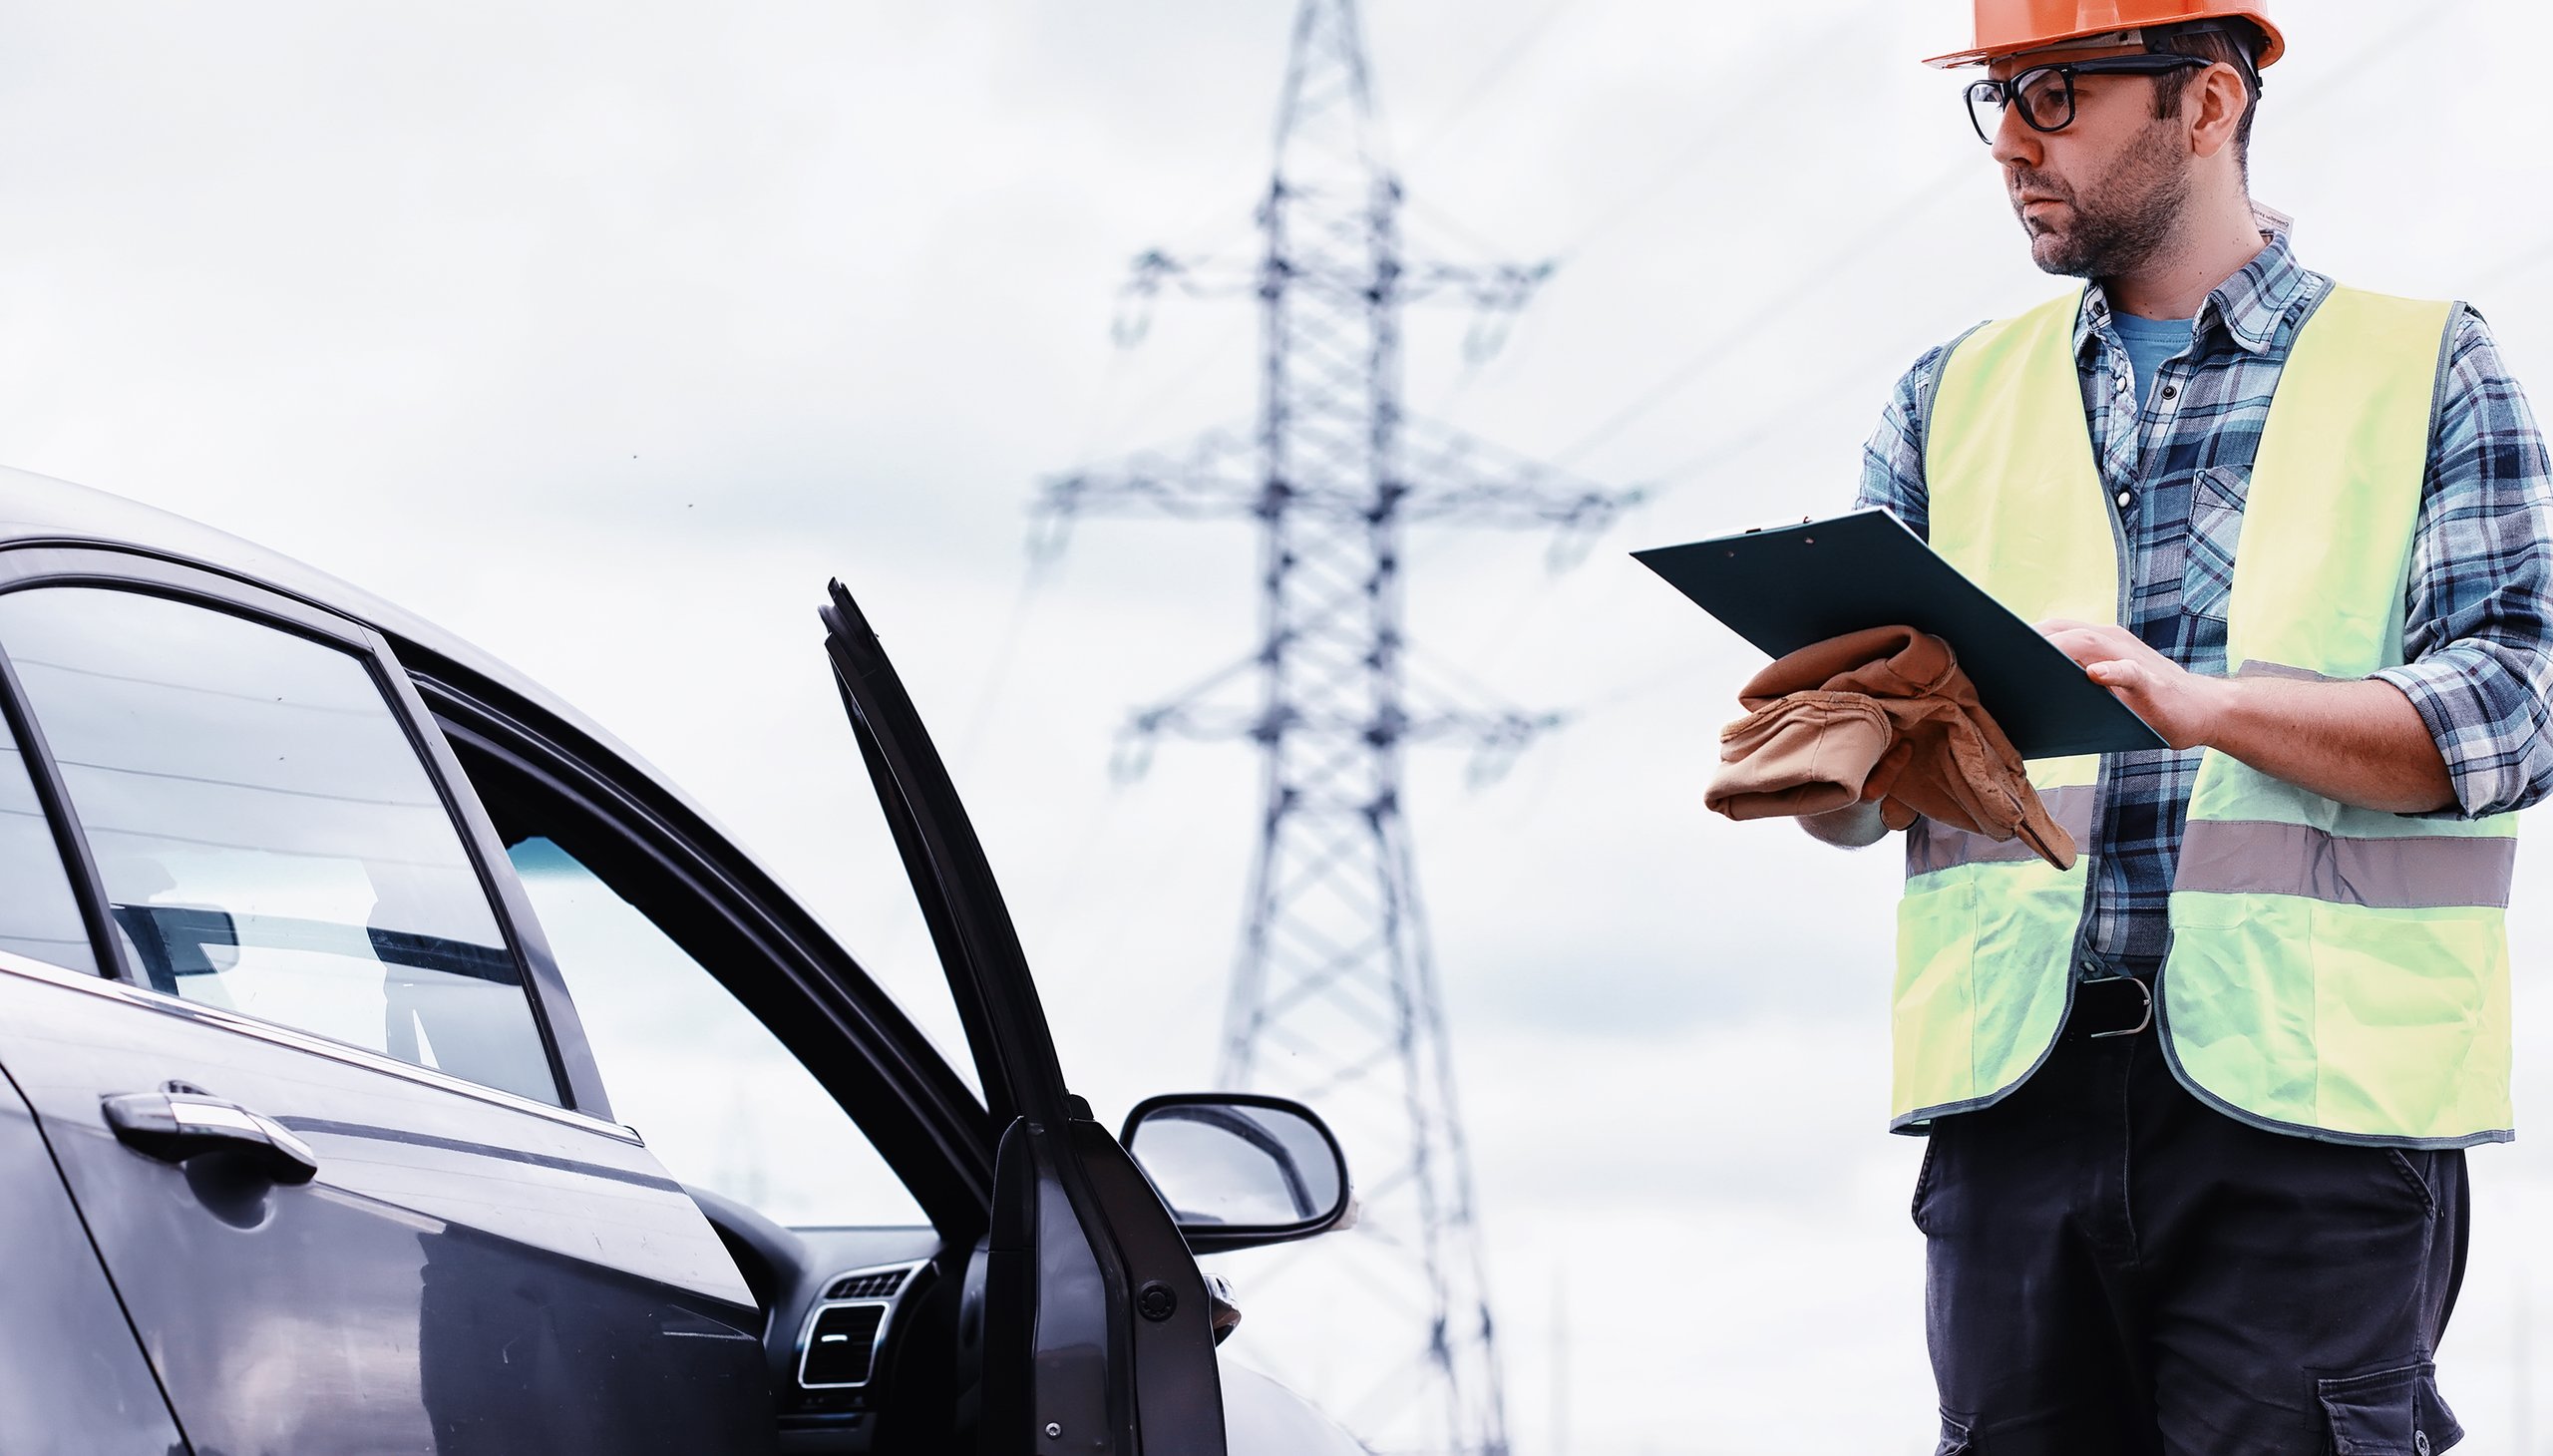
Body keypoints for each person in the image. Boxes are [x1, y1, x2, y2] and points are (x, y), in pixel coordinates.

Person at [1790, 3, 2553, 1450]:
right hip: (2012, 1100)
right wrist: (1827, 766)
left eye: (2056, 94)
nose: (2013, 140)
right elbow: (1871, 788)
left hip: (2314, 1115)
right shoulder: (1944, 398)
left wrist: (2200, 706)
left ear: (2207, 106)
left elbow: (2517, 706)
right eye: (2000, 99)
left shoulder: (2425, 366)